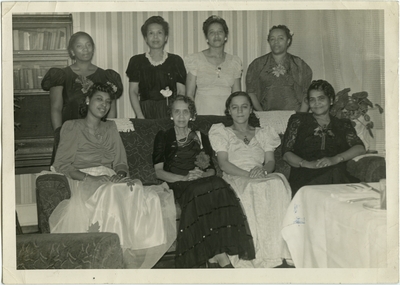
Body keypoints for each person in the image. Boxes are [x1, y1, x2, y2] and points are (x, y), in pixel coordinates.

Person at [49, 83, 176, 269]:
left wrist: (121, 175)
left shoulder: (111, 128)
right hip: (82, 178)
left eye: (108, 102)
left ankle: (130, 253)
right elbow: (61, 164)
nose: (104, 105)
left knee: (135, 189)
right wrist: (90, 178)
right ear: (87, 100)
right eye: (99, 99)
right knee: (112, 191)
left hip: (109, 177)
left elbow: (120, 163)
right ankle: (119, 254)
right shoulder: (71, 126)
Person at [152, 95, 255, 268]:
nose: (181, 116)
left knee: (218, 184)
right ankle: (219, 256)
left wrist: (201, 174)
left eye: (186, 111)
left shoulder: (200, 136)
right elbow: (159, 172)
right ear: (171, 115)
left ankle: (215, 254)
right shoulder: (163, 136)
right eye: (177, 111)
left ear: (192, 115)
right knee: (200, 191)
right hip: (178, 182)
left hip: (200, 180)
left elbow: (212, 170)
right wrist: (184, 178)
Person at [209, 91, 292, 268]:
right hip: (236, 176)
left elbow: (270, 162)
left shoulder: (263, 133)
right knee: (251, 188)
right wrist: (248, 175)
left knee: (277, 183)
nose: (240, 111)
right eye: (235, 107)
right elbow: (223, 164)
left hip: (260, 174)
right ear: (228, 111)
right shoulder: (222, 132)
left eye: (244, 107)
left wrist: (262, 170)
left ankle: (276, 251)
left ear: (251, 110)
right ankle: (253, 253)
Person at [41, 31, 123, 164]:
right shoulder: (61, 75)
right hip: (70, 135)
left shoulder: (106, 76)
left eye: (88, 45)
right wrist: (60, 134)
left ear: (93, 48)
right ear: (72, 51)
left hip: (98, 135)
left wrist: (110, 134)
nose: (85, 49)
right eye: (79, 46)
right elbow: (56, 108)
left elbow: (111, 108)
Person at [282, 79, 366, 197]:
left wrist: (335, 159)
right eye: (312, 100)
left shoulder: (342, 124)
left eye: (321, 98)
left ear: (331, 100)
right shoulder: (298, 120)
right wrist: (306, 163)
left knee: (337, 174)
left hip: (335, 172)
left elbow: (359, 147)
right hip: (305, 175)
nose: (316, 103)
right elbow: (286, 153)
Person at [126, 16, 186, 119]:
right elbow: (133, 91)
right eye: (151, 33)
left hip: (169, 112)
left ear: (166, 37)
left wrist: (175, 115)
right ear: (145, 38)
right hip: (144, 112)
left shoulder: (176, 61)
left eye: (159, 33)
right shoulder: (136, 61)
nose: (155, 37)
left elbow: (181, 92)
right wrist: (140, 116)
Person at [246, 25, 312, 112]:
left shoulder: (299, 64)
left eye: (280, 38)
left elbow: (306, 94)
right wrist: (261, 114)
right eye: (272, 39)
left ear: (288, 41)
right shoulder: (257, 64)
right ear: (269, 41)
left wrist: (300, 116)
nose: (276, 42)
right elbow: (251, 92)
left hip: (294, 115)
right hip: (265, 116)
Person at [185, 15, 242, 115]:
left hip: (227, 116)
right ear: (207, 37)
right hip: (202, 115)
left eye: (220, 32)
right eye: (211, 32)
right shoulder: (195, 60)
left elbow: (237, 95)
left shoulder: (234, 61)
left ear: (225, 36)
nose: (216, 35)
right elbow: (189, 95)